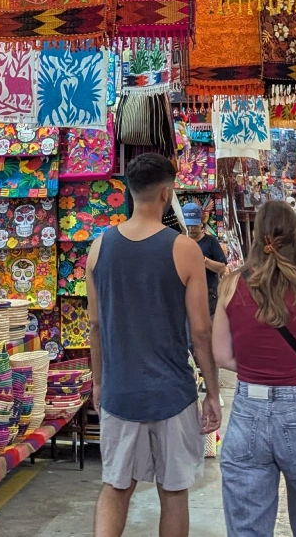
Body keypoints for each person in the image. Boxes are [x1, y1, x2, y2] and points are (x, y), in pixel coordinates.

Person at [88, 153, 222, 537]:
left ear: (130, 192)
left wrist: (99, 383)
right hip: (172, 393)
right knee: (174, 491)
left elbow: (95, 326)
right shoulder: (184, 249)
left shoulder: (99, 249)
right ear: (167, 193)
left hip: (119, 391)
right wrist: (211, 392)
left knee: (116, 486)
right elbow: (200, 331)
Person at [213, 200, 296, 537]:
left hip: (246, 413)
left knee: (247, 527)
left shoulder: (229, 284)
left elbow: (221, 355)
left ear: (255, 236)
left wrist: (258, 363)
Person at [182, 201, 228, 315]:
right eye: (189, 225)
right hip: (186, 297)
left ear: (201, 223)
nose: (191, 228)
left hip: (209, 297)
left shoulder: (210, 242)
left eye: (194, 225)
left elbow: (222, 268)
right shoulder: (180, 242)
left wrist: (203, 260)